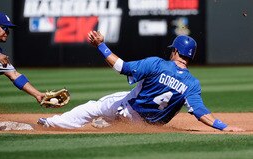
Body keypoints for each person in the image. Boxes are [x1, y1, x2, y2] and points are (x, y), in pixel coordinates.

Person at [38, 31, 244, 132]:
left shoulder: (157, 64)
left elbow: (122, 67)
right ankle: (108, 122)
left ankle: (51, 123)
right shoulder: (192, 84)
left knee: (94, 107)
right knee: (112, 111)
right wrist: (224, 127)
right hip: (147, 124)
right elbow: (200, 113)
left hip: (128, 110)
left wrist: (100, 46)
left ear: (175, 51)